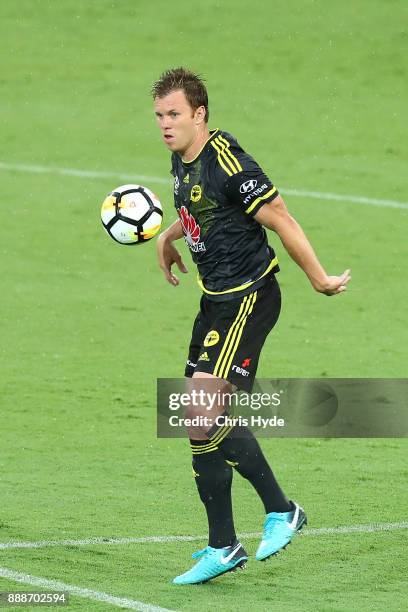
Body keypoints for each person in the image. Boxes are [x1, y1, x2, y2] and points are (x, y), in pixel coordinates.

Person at [152, 67, 351, 585]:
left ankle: (277, 514)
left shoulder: (228, 161)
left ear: (200, 114)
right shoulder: (183, 155)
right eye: (159, 116)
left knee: (199, 409)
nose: (165, 125)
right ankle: (226, 543)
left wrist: (320, 278)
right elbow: (198, 205)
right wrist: (169, 237)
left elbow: (280, 215)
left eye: (174, 115)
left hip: (249, 297)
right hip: (214, 300)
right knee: (197, 418)